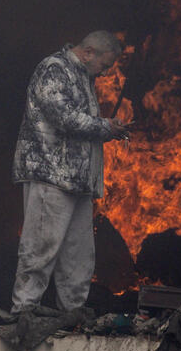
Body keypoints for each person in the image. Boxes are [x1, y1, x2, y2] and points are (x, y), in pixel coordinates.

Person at [10, 30, 130, 315]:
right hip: (51, 175)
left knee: (79, 255)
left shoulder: (82, 77)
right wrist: (106, 127)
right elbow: (63, 117)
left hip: (78, 181)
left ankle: (72, 314)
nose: (104, 73)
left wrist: (106, 129)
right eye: (105, 65)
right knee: (40, 248)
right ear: (89, 52)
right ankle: (23, 313)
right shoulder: (54, 69)